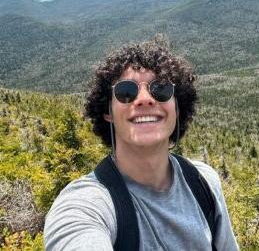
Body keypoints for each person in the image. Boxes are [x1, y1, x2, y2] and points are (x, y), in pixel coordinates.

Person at [44, 37, 239, 250]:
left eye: (161, 89)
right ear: (107, 111)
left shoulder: (204, 182)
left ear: (177, 107)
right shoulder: (87, 204)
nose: (145, 99)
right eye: (126, 91)